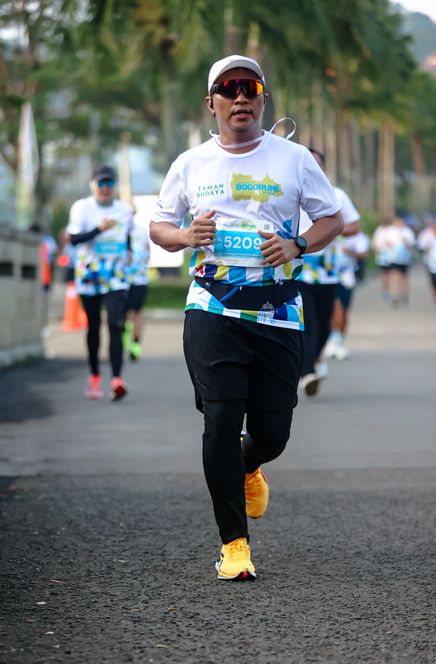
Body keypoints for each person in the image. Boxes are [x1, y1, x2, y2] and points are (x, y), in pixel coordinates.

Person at [150, 54, 343, 581]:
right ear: (210, 102)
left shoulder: (294, 159)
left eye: (250, 88)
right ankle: (234, 545)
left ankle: (250, 464)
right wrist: (186, 236)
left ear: (263, 99)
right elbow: (159, 227)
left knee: (273, 432)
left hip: (277, 311)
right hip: (212, 308)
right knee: (219, 420)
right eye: (229, 88)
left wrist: (297, 243)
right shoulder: (190, 164)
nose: (240, 97)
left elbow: (331, 218)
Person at [67, 165, 133, 400]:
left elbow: (126, 234)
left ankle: (117, 379)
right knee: (93, 326)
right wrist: (98, 229)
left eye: (109, 183)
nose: (105, 188)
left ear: (114, 186)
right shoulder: (82, 208)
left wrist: (129, 250)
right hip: (90, 275)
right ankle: (94, 376)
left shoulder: (124, 210)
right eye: (101, 183)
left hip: (116, 275)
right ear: (92, 185)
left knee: (116, 323)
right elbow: (73, 239)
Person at [297, 148, 360, 393]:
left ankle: (312, 360)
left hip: (327, 271)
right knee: (308, 322)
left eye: (316, 164)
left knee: (324, 326)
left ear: (323, 169)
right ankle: (307, 373)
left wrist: (330, 228)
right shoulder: (287, 192)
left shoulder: (336, 195)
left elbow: (353, 226)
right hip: (297, 270)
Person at [324, 229, 369, 361]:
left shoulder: (357, 236)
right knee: (334, 308)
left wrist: (350, 252)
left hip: (347, 278)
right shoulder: (328, 231)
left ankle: (339, 341)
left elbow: (364, 254)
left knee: (343, 311)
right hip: (329, 277)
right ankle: (331, 339)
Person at [371, 213, 415, 306]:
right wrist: (386, 245)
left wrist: (406, 242)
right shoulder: (390, 231)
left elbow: (412, 244)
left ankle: (404, 294)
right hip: (392, 258)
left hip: (404, 259)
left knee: (403, 277)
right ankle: (395, 295)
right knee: (394, 275)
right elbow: (382, 242)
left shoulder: (407, 231)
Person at [123, 222, 150, 361]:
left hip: (139, 279)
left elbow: (148, 252)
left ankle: (135, 344)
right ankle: (124, 339)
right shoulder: (118, 230)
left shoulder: (142, 230)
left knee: (137, 312)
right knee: (124, 313)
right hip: (121, 280)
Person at [417, 215, 436, 303]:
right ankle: (434, 292)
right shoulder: (425, 234)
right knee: (432, 277)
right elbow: (420, 246)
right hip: (429, 260)